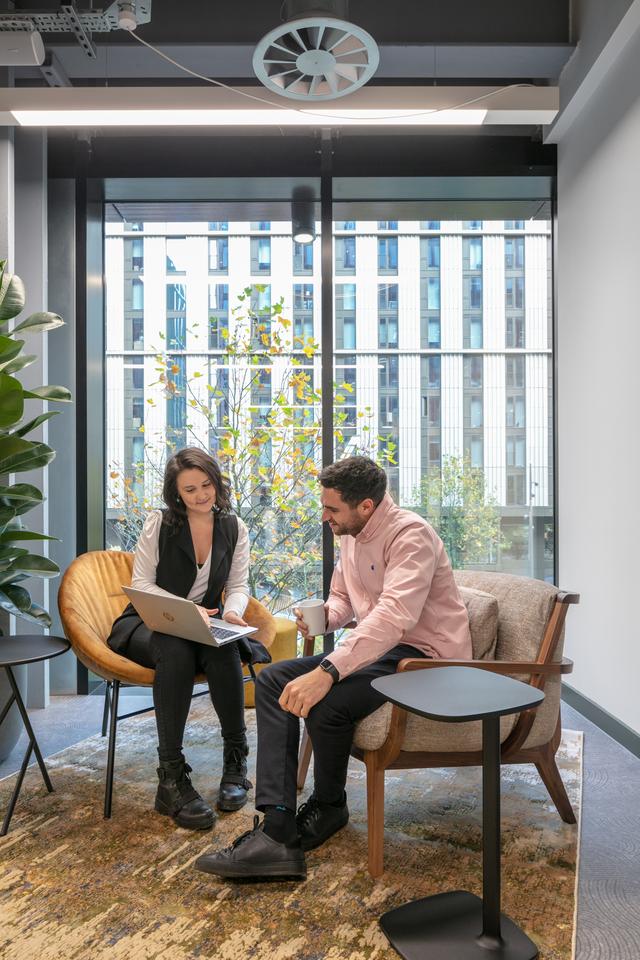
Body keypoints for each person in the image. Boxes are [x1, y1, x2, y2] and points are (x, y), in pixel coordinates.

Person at [195, 455, 471, 878]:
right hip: (381, 650)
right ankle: (278, 822)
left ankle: (328, 806)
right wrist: (325, 618)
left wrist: (327, 671)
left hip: (424, 659)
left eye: (332, 509)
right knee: (272, 680)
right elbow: (344, 597)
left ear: (366, 506)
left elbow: (394, 617)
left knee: (329, 701)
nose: (325, 517)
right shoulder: (350, 531)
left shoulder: (411, 536)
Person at [107, 447, 268, 831]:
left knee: (224, 649)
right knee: (176, 649)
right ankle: (171, 778)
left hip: (206, 624)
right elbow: (142, 583)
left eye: (206, 485)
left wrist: (233, 611)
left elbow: (238, 585)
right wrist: (184, 608)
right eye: (190, 489)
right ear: (176, 493)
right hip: (150, 622)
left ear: (216, 483)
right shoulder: (159, 524)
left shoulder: (234, 527)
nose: (200, 495)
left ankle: (235, 761)